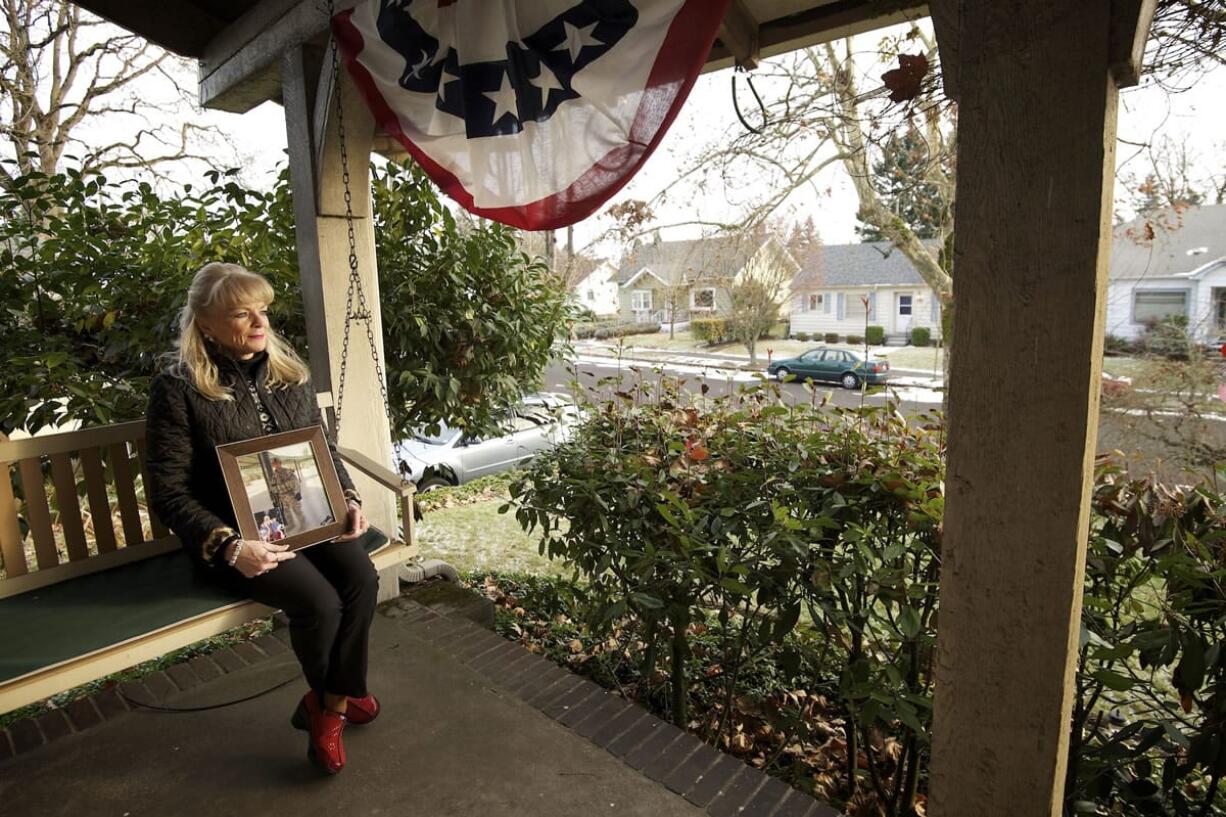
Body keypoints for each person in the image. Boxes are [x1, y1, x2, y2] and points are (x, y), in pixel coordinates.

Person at [146, 262, 378, 775]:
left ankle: (330, 701)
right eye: (240, 313)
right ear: (204, 324)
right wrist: (229, 546)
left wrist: (348, 497)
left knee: (361, 576)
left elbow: (324, 451)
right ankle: (340, 704)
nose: (259, 323)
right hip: (239, 540)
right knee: (319, 602)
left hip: (307, 520)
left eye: (264, 310)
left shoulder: (286, 375)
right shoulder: (178, 389)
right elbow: (167, 491)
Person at [269, 457, 306, 531]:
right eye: (274, 464)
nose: (276, 465)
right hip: (282, 497)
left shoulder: (288, 472)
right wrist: (274, 497)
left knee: (297, 510)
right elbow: (273, 487)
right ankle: (291, 524)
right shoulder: (274, 476)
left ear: (280, 463)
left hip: (291, 495)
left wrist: (297, 492)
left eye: (277, 463)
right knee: (286, 512)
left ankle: (303, 524)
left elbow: (296, 482)